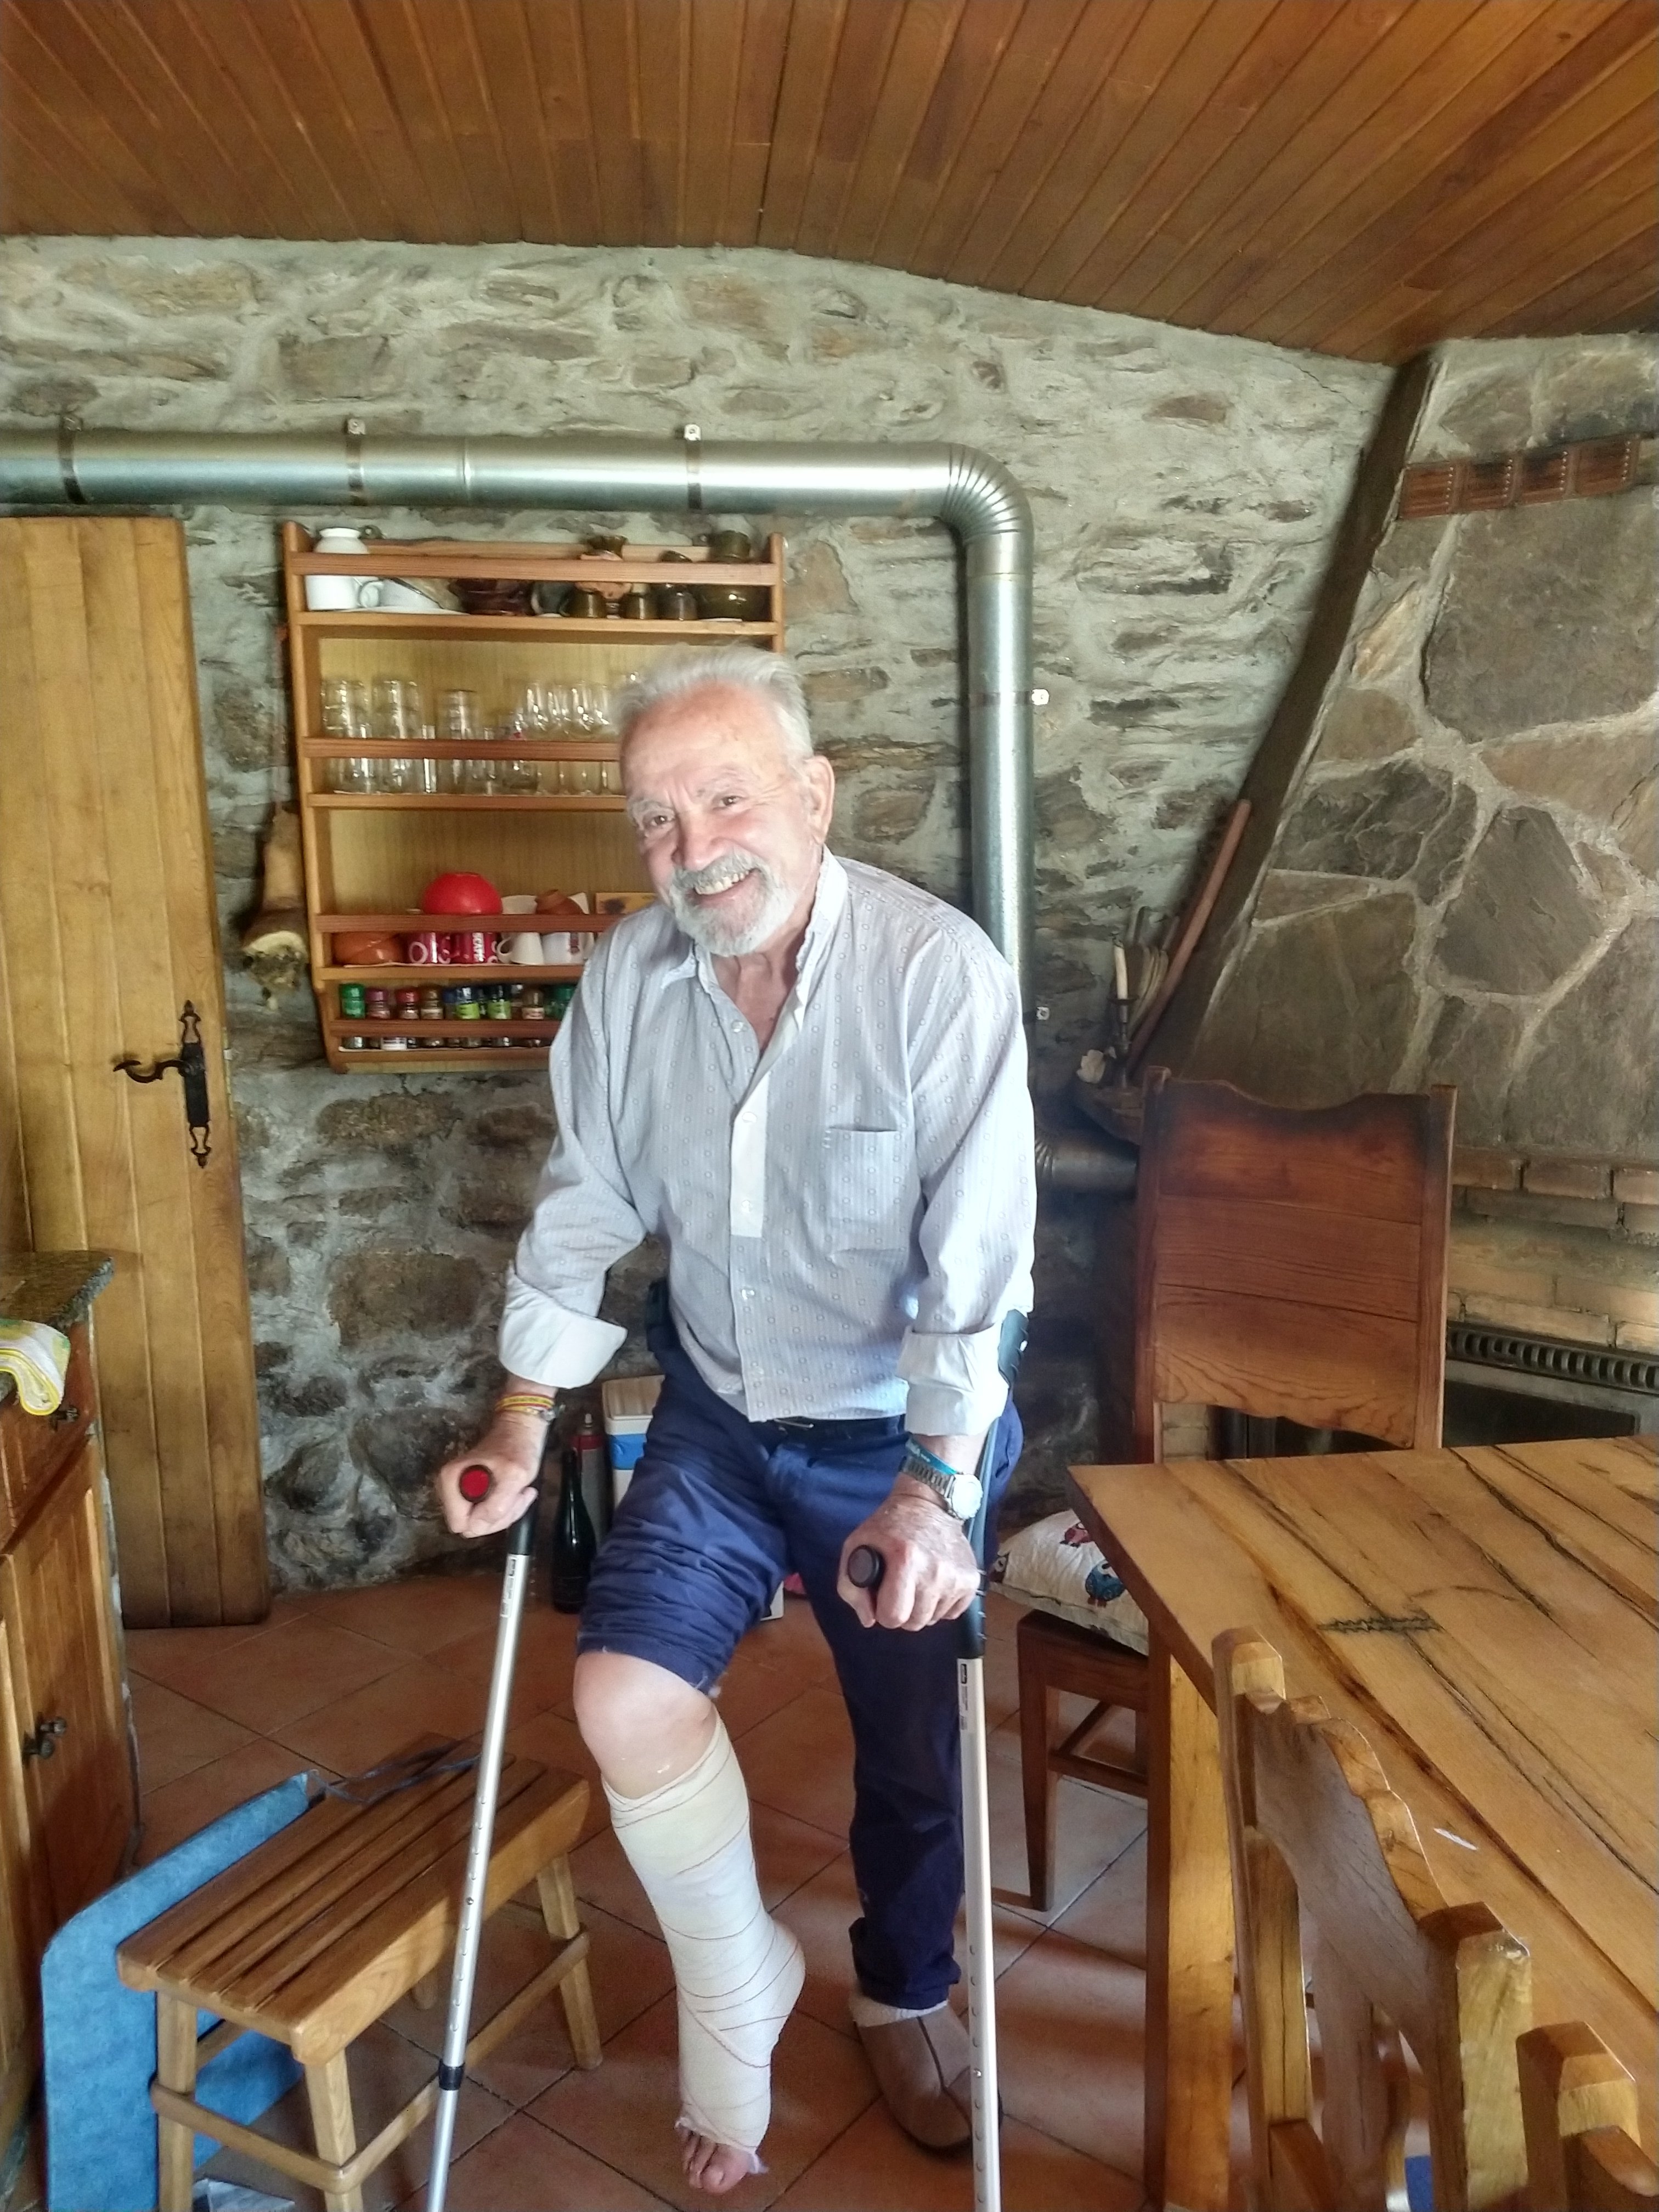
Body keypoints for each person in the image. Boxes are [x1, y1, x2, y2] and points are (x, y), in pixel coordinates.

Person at [437, 645, 1035, 2194]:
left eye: (724, 799)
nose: (692, 849)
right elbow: (587, 1204)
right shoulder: (631, 981)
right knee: (623, 1694)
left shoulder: (937, 975)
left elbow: (977, 1282)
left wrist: (933, 1492)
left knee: (908, 1749)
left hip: (893, 1435)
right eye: (655, 818)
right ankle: (739, 1977)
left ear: (814, 796)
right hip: (716, 1412)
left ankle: (906, 1990)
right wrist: (522, 1414)